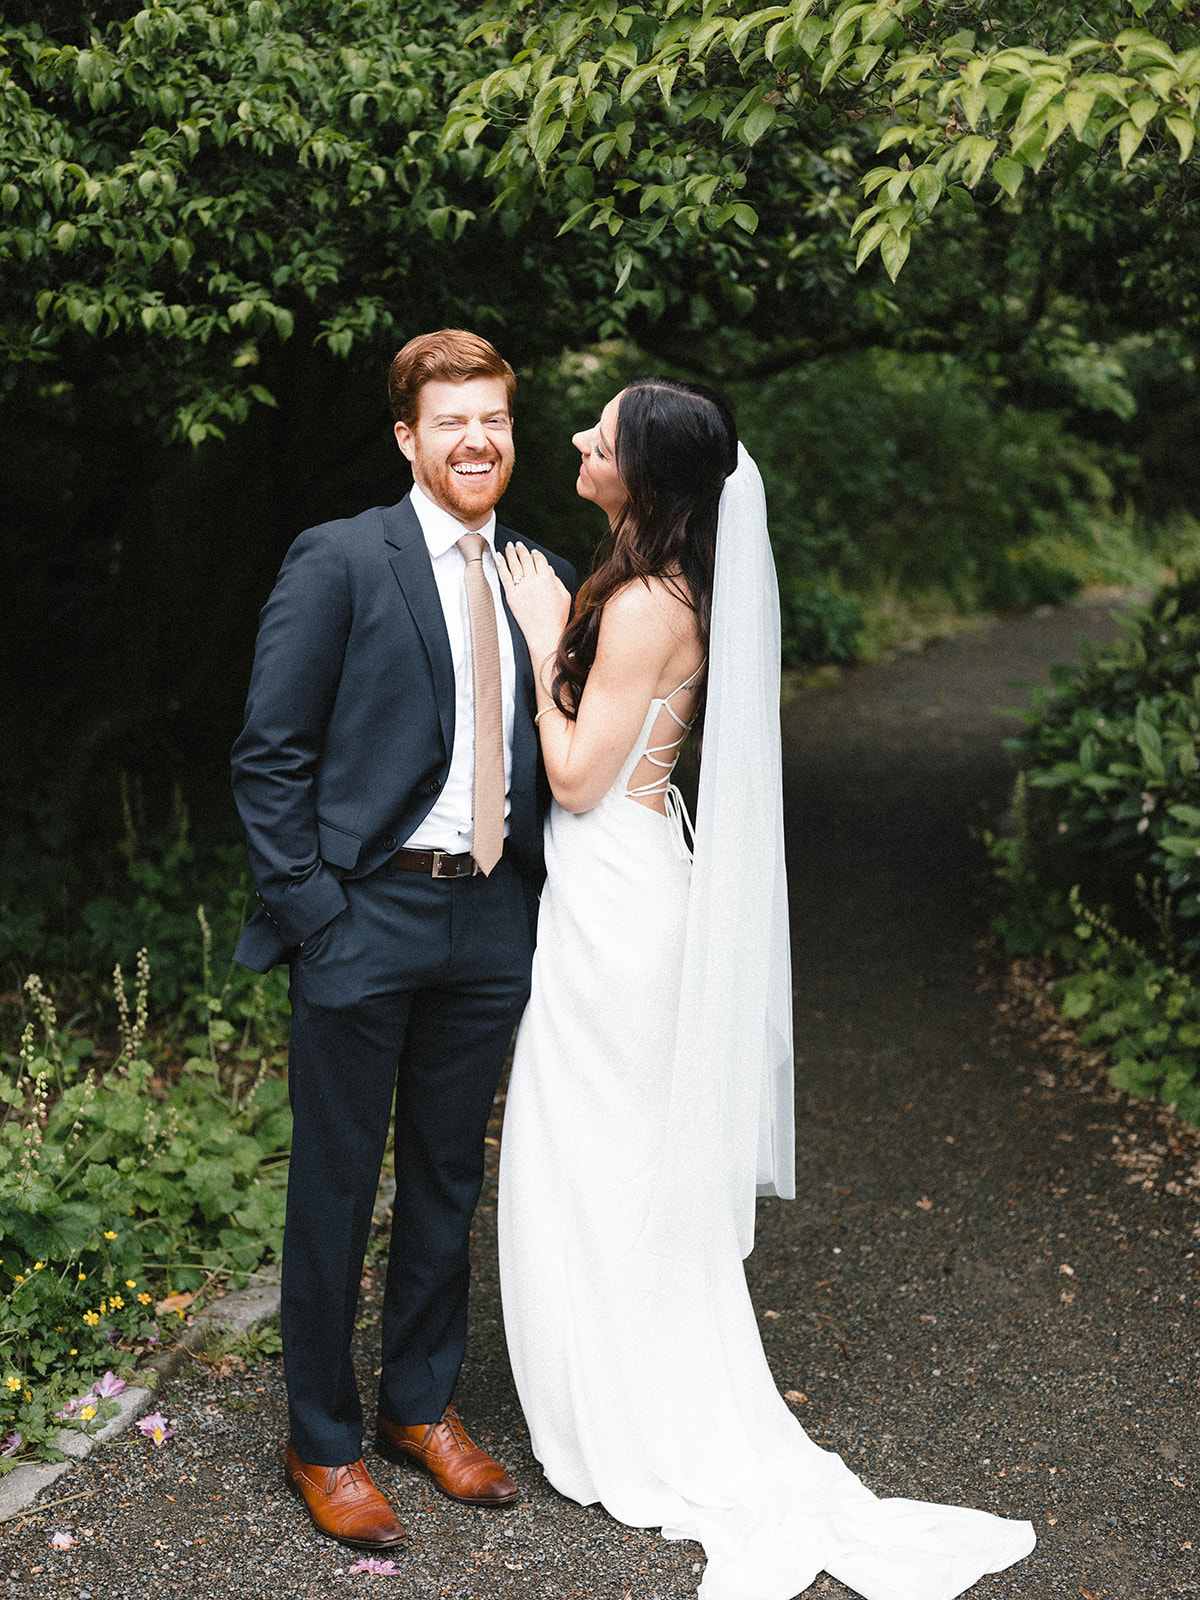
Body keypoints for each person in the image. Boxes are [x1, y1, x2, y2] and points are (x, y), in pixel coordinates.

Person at [494, 377, 1036, 1600]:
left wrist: (538, 643)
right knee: (600, 1149)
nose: (582, 439)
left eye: (605, 432)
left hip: (617, 897)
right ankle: (608, 1387)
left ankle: (627, 1409)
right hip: (623, 885)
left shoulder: (641, 601)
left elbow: (578, 777)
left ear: (647, 469)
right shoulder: (664, 578)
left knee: (598, 1153)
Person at [230, 329, 574, 1551]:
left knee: (447, 1173)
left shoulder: (540, 571)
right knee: (333, 1184)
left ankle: (418, 1405)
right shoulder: (340, 559)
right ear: (406, 437)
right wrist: (317, 913)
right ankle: (319, 1435)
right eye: (451, 420)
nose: (477, 438)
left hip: (491, 916)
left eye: (495, 418)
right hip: (364, 914)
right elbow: (269, 754)